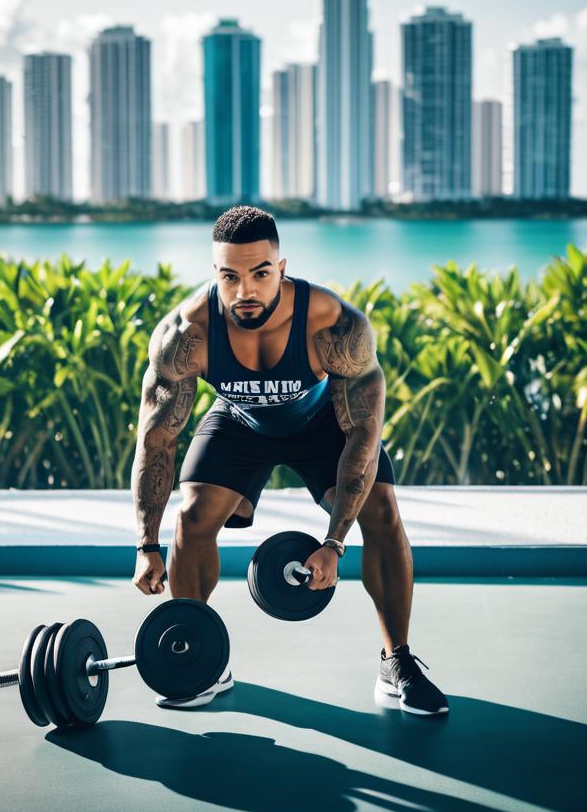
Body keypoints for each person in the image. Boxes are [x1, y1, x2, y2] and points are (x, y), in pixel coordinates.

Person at [130, 205, 448, 716]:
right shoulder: (186, 335)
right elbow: (156, 440)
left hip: (321, 423)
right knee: (192, 516)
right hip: (239, 421)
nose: (245, 291)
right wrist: (145, 544)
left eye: (260, 274)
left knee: (384, 513)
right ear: (216, 273)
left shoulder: (334, 327)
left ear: (282, 268)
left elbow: (363, 435)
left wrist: (335, 542)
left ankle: (397, 663)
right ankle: (197, 654)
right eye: (230, 277)